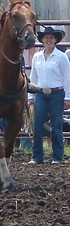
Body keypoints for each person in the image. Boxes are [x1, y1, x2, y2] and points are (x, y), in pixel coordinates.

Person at [27, 27, 70, 165]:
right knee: (37, 124)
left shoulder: (61, 57)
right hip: (40, 93)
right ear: (42, 40)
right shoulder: (37, 57)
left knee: (57, 125)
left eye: (51, 38)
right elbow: (33, 77)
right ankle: (37, 156)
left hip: (57, 93)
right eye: (46, 38)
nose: (49, 40)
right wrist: (30, 97)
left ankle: (58, 156)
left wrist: (67, 97)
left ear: (55, 40)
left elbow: (67, 77)